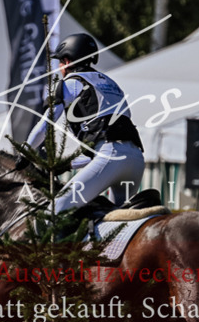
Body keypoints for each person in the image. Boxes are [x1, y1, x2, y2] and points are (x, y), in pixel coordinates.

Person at [24, 33, 145, 214]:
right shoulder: (112, 85)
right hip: (136, 160)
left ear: (67, 61)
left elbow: (46, 123)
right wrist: (67, 165)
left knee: (54, 213)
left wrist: (25, 151)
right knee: (117, 225)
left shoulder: (71, 83)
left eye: (60, 62)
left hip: (110, 157)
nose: (58, 68)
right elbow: (104, 146)